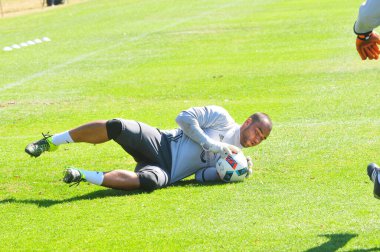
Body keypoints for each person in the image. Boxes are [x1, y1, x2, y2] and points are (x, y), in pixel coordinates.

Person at [25, 105, 272, 191]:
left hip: (167, 171)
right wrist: (212, 144)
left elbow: (199, 176)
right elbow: (183, 118)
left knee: (150, 182)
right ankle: (50, 142)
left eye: (262, 139)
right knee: (117, 126)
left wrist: (226, 175)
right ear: (248, 122)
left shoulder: (235, 160)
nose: (256, 139)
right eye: (257, 132)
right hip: (160, 141)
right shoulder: (221, 117)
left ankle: (80, 175)